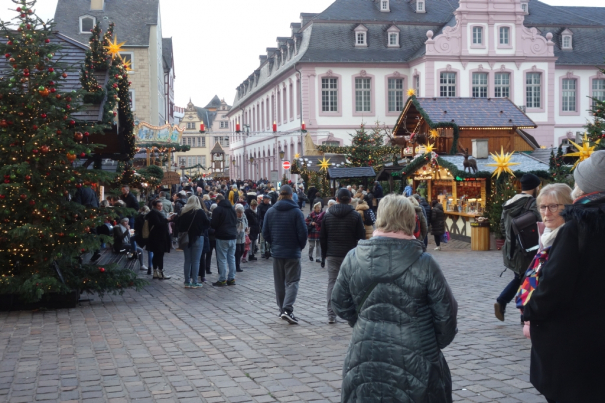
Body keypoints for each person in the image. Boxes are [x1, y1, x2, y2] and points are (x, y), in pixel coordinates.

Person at [331, 194, 458, 403]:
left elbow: (340, 304)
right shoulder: (425, 263)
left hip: (364, 353)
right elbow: (446, 317)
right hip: (417, 358)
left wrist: (364, 323)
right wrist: (428, 343)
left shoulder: (353, 258)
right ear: (410, 220)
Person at [521, 152, 605, 403]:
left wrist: (530, 310)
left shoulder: (579, 227)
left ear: (587, 186)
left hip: (575, 342)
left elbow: (554, 286)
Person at [515, 183, 572, 339]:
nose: (547, 213)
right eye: (542, 207)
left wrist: (532, 309)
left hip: (558, 327)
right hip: (539, 324)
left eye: (553, 206)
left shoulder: (569, 240)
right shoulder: (546, 235)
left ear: (568, 207)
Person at [494, 173, 541, 321]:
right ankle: (520, 312)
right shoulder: (533, 204)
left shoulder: (509, 203)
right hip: (528, 249)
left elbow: (502, 225)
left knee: (521, 278)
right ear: (535, 187)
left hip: (511, 248)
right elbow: (540, 225)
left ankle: (505, 303)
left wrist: (510, 240)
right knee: (529, 279)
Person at [262, 185, 307, 324]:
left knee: (279, 283)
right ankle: (287, 309)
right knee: (292, 281)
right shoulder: (296, 212)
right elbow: (303, 233)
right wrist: (300, 246)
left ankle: (282, 309)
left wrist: (274, 243)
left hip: (277, 252)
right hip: (292, 251)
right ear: (291, 195)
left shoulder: (270, 211)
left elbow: (265, 233)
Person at [320, 188, 365, 324]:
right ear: (350, 200)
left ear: (337, 199)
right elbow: (361, 237)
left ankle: (331, 314)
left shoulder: (327, 215)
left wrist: (324, 255)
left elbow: (323, 238)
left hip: (333, 254)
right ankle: (351, 312)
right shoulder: (355, 215)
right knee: (352, 283)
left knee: (332, 283)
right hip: (350, 254)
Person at [176, 196, 210, 289]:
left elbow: (178, 225)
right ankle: (195, 281)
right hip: (198, 237)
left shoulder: (183, 212)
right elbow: (207, 224)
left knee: (187, 260)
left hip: (186, 239)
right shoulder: (200, 212)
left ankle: (187, 281)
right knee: (196, 261)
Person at [210, 194, 238, 286]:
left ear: (218, 201)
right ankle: (231, 278)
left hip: (222, 236)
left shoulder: (218, 210)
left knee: (222, 258)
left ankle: (222, 279)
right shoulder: (232, 209)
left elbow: (214, 224)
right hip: (233, 235)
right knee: (231, 258)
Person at [146, 199, 172, 280]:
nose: (160, 207)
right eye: (158, 206)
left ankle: (156, 272)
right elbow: (158, 224)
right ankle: (160, 272)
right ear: (154, 206)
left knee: (157, 254)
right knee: (159, 254)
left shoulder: (159, 213)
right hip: (157, 237)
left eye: (161, 206)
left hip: (160, 236)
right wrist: (167, 220)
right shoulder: (153, 213)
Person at [134, 206, 152, 274]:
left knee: (132, 239)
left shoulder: (139, 217)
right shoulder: (150, 217)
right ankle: (150, 267)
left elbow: (136, 228)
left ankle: (134, 252)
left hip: (141, 236)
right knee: (150, 252)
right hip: (149, 236)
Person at [234, 204, 249, 273]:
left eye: (241, 212)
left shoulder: (244, 216)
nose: (240, 214)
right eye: (239, 213)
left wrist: (246, 227)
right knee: (238, 251)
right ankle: (237, 266)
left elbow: (246, 222)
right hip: (236, 237)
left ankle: (235, 261)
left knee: (242, 250)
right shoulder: (234, 218)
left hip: (242, 236)